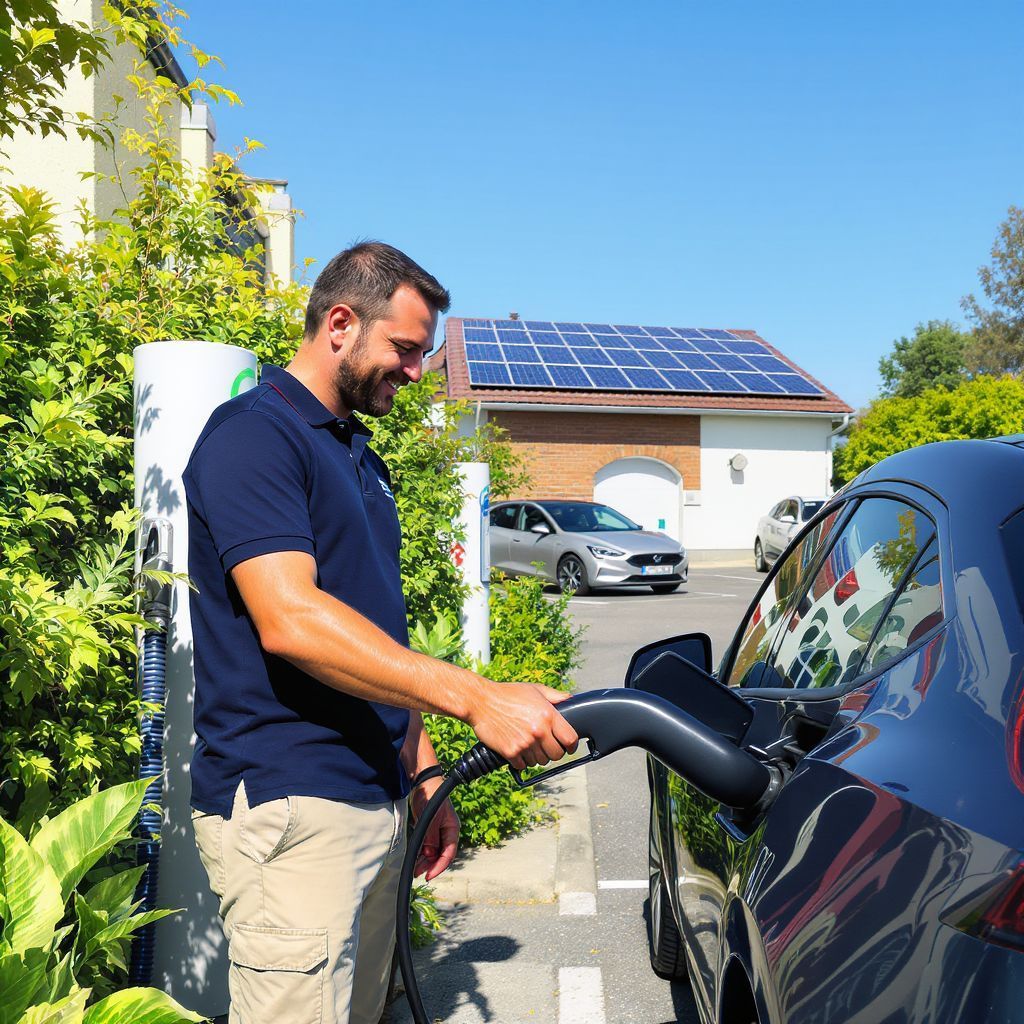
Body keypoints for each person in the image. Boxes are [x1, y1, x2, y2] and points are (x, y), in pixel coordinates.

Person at [183, 241, 578, 1024]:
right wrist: (477, 700)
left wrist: (423, 770)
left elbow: (371, 632)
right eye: (404, 348)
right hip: (291, 808)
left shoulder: (359, 459)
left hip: (374, 798)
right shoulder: (254, 436)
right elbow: (291, 620)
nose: (415, 369)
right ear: (339, 323)